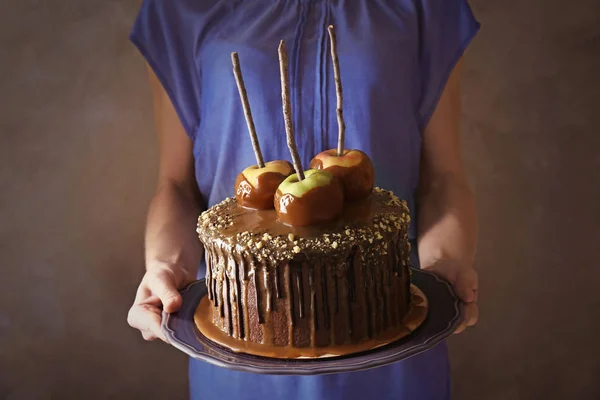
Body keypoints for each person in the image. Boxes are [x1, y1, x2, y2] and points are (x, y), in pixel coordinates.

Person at [126, 0, 480, 398]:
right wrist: (165, 268)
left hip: (392, 327)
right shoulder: (180, 8)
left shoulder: (425, 7)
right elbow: (176, 185)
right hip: (240, 333)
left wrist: (444, 267)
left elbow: (442, 177)